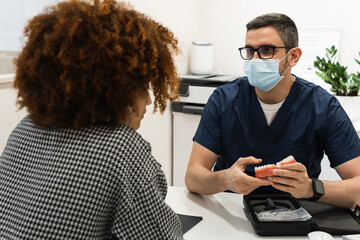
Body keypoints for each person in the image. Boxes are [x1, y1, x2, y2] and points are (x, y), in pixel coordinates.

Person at [0, 0, 183, 239]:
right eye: (142, 87)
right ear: (117, 89)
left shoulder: (25, 129)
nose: (149, 100)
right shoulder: (121, 148)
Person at [185, 13, 360, 209]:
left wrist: (311, 188)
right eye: (250, 51)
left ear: (293, 56)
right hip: (231, 210)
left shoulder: (322, 107)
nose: (255, 59)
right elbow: (193, 177)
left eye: (266, 50)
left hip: (296, 213)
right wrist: (225, 179)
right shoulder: (224, 100)